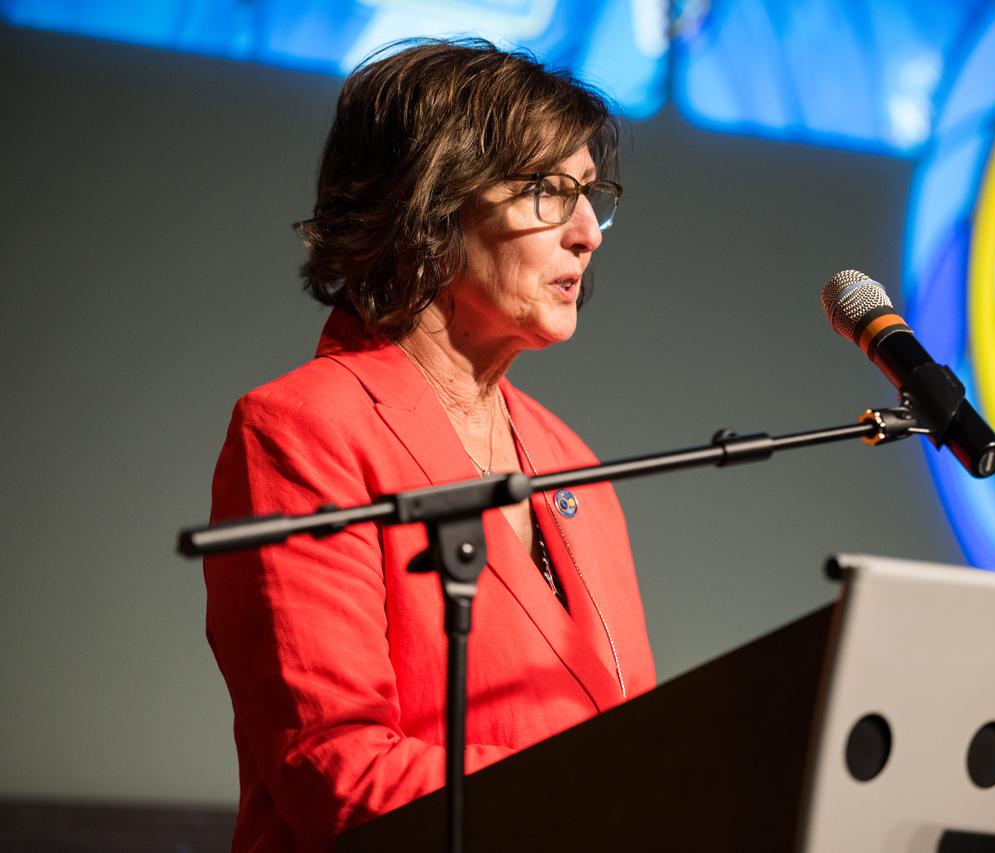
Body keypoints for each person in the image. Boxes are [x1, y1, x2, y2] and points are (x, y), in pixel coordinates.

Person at [204, 39, 656, 851]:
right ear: (432, 203)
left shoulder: (572, 460)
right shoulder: (305, 431)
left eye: (592, 195)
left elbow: (635, 736)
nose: (589, 233)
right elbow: (338, 769)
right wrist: (600, 799)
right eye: (550, 192)